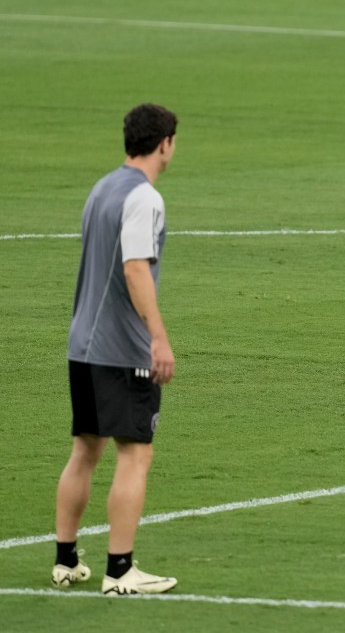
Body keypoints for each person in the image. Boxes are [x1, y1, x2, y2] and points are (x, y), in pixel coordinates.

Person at [52, 103, 180, 596]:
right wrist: (158, 336)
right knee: (135, 454)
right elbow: (134, 269)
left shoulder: (102, 187)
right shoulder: (144, 198)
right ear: (165, 142)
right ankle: (121, 569)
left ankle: (66, 561)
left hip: (82, 343)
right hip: (121, 349)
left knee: (85, 449)